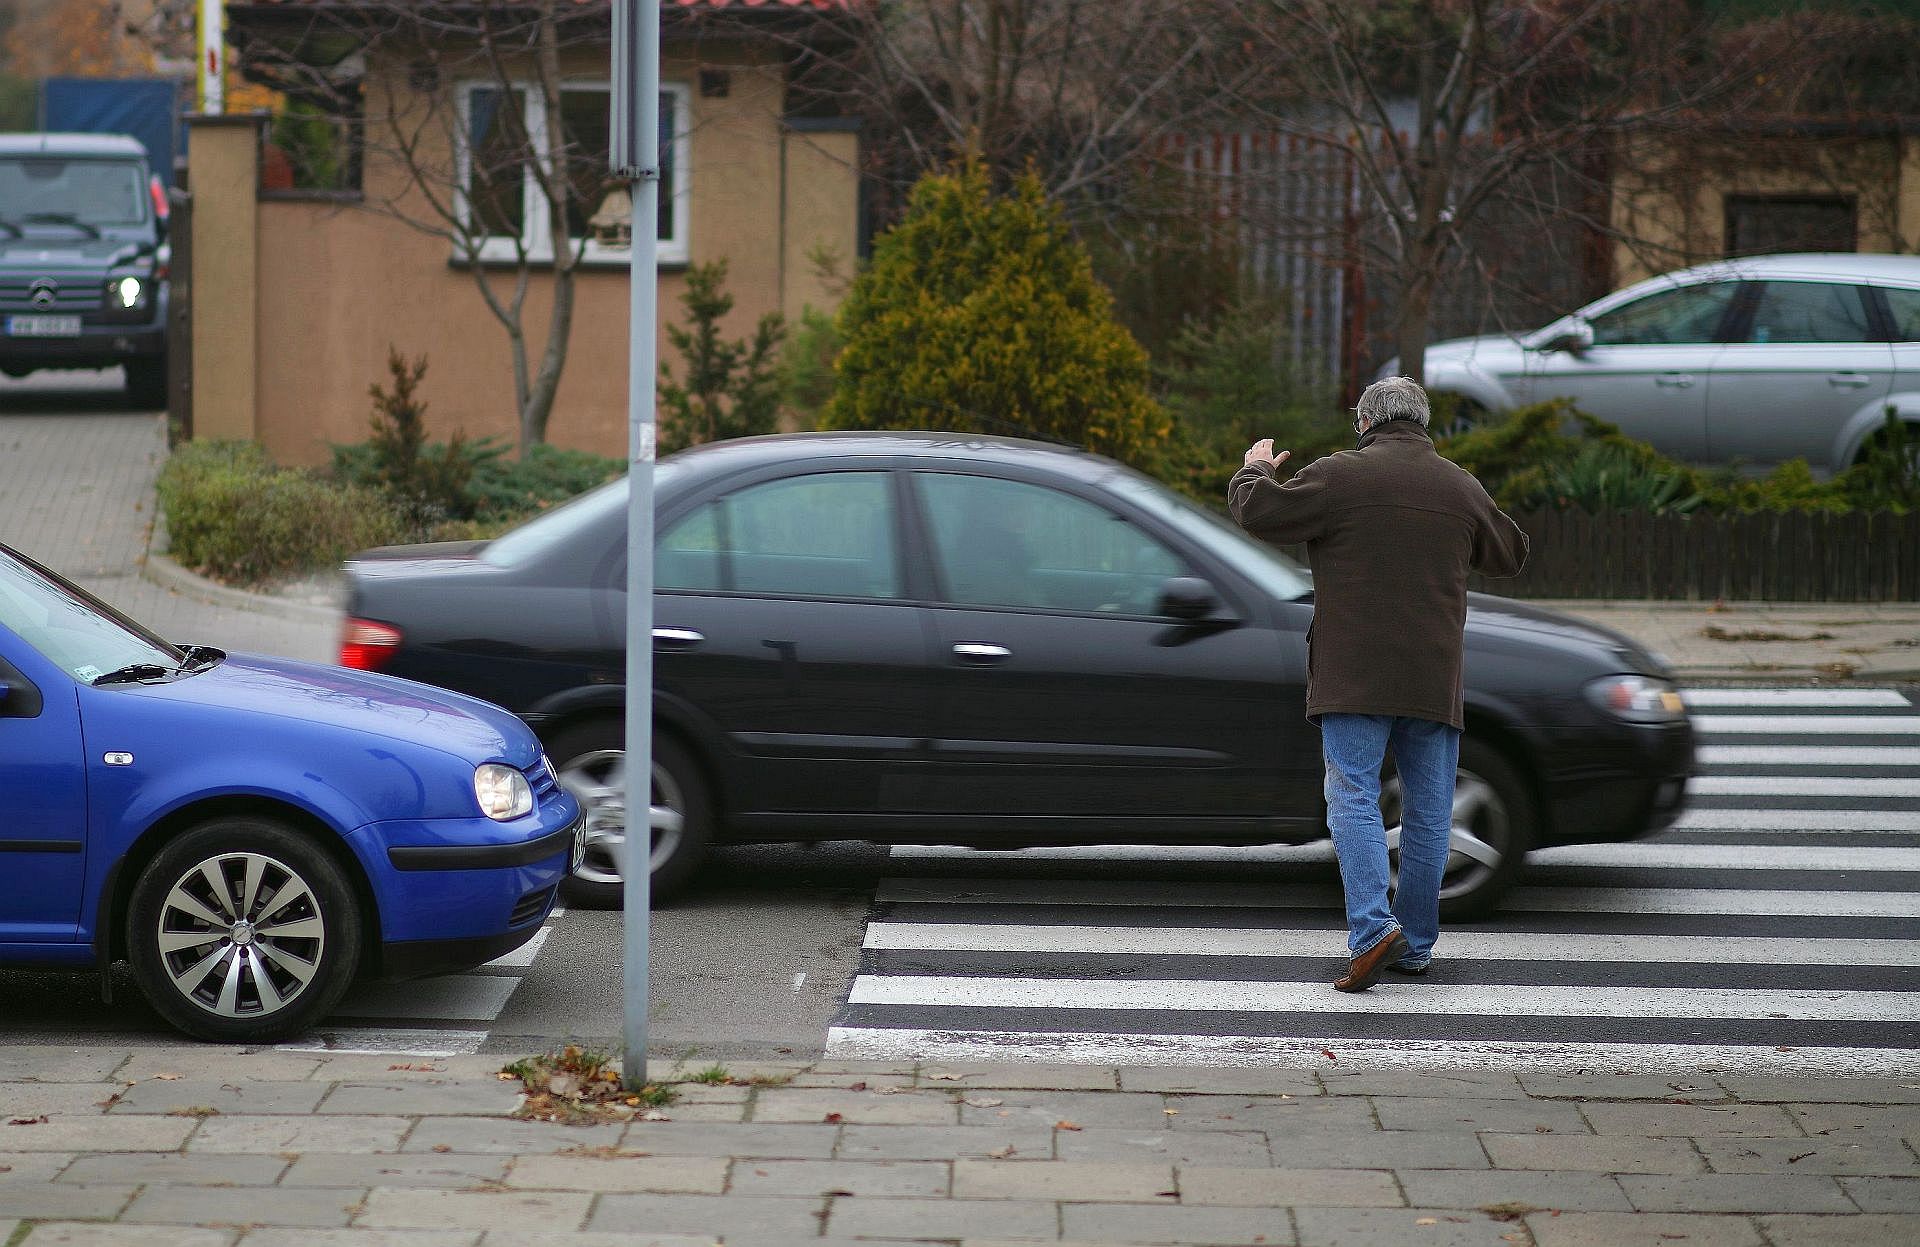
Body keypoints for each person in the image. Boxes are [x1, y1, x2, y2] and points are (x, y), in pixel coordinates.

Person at [1228, 377, 1529, 992]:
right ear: (1423, 424)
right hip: (1432, 676)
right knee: (1427, 812)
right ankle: (1415, 944)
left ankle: (1371, 930)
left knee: (1354, 798)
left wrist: (1254, 470)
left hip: (1353, 675)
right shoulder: (1458, 485)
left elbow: (1262, 512)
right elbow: (1511, 552)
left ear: (1364, 424)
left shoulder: (1341, 476)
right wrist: (1474, 506)